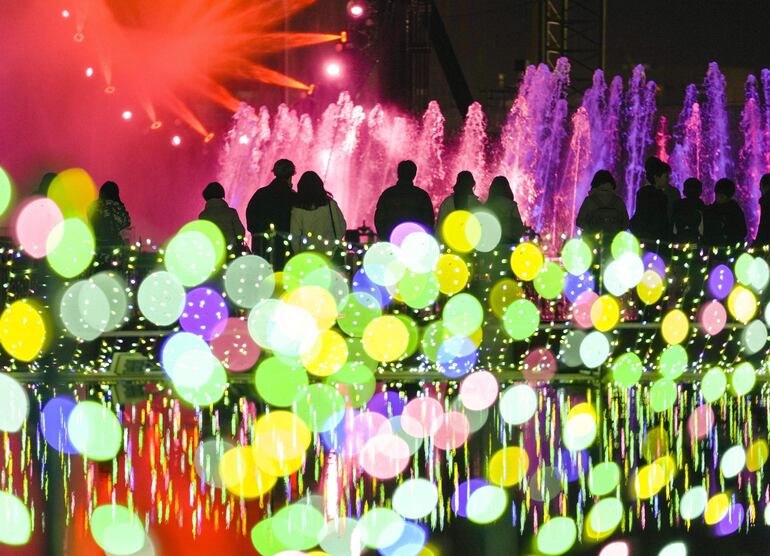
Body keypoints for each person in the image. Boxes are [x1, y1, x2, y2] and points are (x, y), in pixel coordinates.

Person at [246, 159, 297, 269]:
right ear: (291, 175)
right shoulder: (293, 198)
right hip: (285, 250)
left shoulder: (260, 194)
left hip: (261, 247)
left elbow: (250, 221)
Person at [374, 160, 434, 241]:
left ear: (398, 173)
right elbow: (429, 221)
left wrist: (385, 237)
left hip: (391, 239)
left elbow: (379, 219)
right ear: (414, 174)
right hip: (414, 242)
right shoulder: (422, 195)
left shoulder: (388, 194)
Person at [290, 171, 346, 253]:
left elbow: (295, 236)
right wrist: (334, 243)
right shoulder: (330, 205)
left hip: (308, 255)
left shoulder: (298, 209)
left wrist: (298, 253)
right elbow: (341, 226)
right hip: (330, 252)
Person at [575, 170, 629, 237]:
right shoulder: (618, 201)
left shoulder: (589, 201)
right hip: (613, 240)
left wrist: (590, 230)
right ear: (612, 183)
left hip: (592, 240)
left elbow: (579, 221)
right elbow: (626, 223)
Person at [630, 159, 670, 243]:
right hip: (653, 237)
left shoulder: (643, 192)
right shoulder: (660, 196)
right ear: (656, 177)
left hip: (644, 236)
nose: (668, 179)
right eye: (666, 176)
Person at [198, 182, 245, 248]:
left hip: (213, 251)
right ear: (221, 194)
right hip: (231, 250)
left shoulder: (202, 215)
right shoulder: (231, 212)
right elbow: (240, 232)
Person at [703, 178, 748, 246]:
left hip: (730, 247)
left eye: (722, 196)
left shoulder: (735, 211)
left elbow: (742, 232)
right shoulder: (711, 210)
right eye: (717, 195)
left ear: (729, 197)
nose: (718, 198)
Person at [88, 181, 132, 250]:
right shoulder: (118, 208)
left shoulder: (94, 206)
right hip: (115, 246)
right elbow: (127, 222)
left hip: (95, 245)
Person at [484, 176, 524, 244]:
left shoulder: (487, 206)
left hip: (490, 241)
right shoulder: (511, 205)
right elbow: (518, 226)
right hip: (507, 241)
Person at [671, 178, 704, 243]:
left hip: (679, 241)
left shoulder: (678, 205)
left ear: (684, 192)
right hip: (694, 242)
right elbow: (702, 229)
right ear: (700, 192)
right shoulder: (700, 205)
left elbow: (673, 227)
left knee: (678, 253)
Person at [754, 174, 770, 245]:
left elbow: (764, 225)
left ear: (767, 186)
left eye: (761, 185)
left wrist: (757, 243)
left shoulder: (766, 201)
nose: (759, 188)